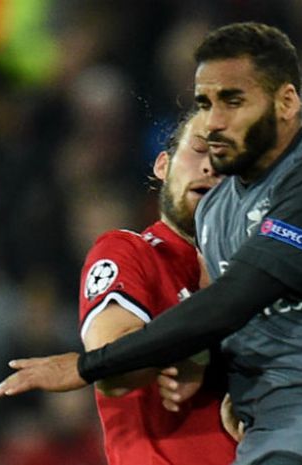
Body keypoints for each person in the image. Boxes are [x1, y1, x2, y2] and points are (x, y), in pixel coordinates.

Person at [0, 22, 302, 465]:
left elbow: (236, 300)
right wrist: (195, 360)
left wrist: (94, 366)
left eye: (232, 104)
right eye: (200, 139)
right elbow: (119, 368)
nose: (213, 151)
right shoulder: (130, 251)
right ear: (161, 165)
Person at [75, 112, 236, 465]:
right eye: (197, 151)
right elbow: (111, 363)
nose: (210, 167)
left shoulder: (259, 280)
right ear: (163, 165)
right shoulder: (129, 253)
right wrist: (201, 349)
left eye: (226, 159)